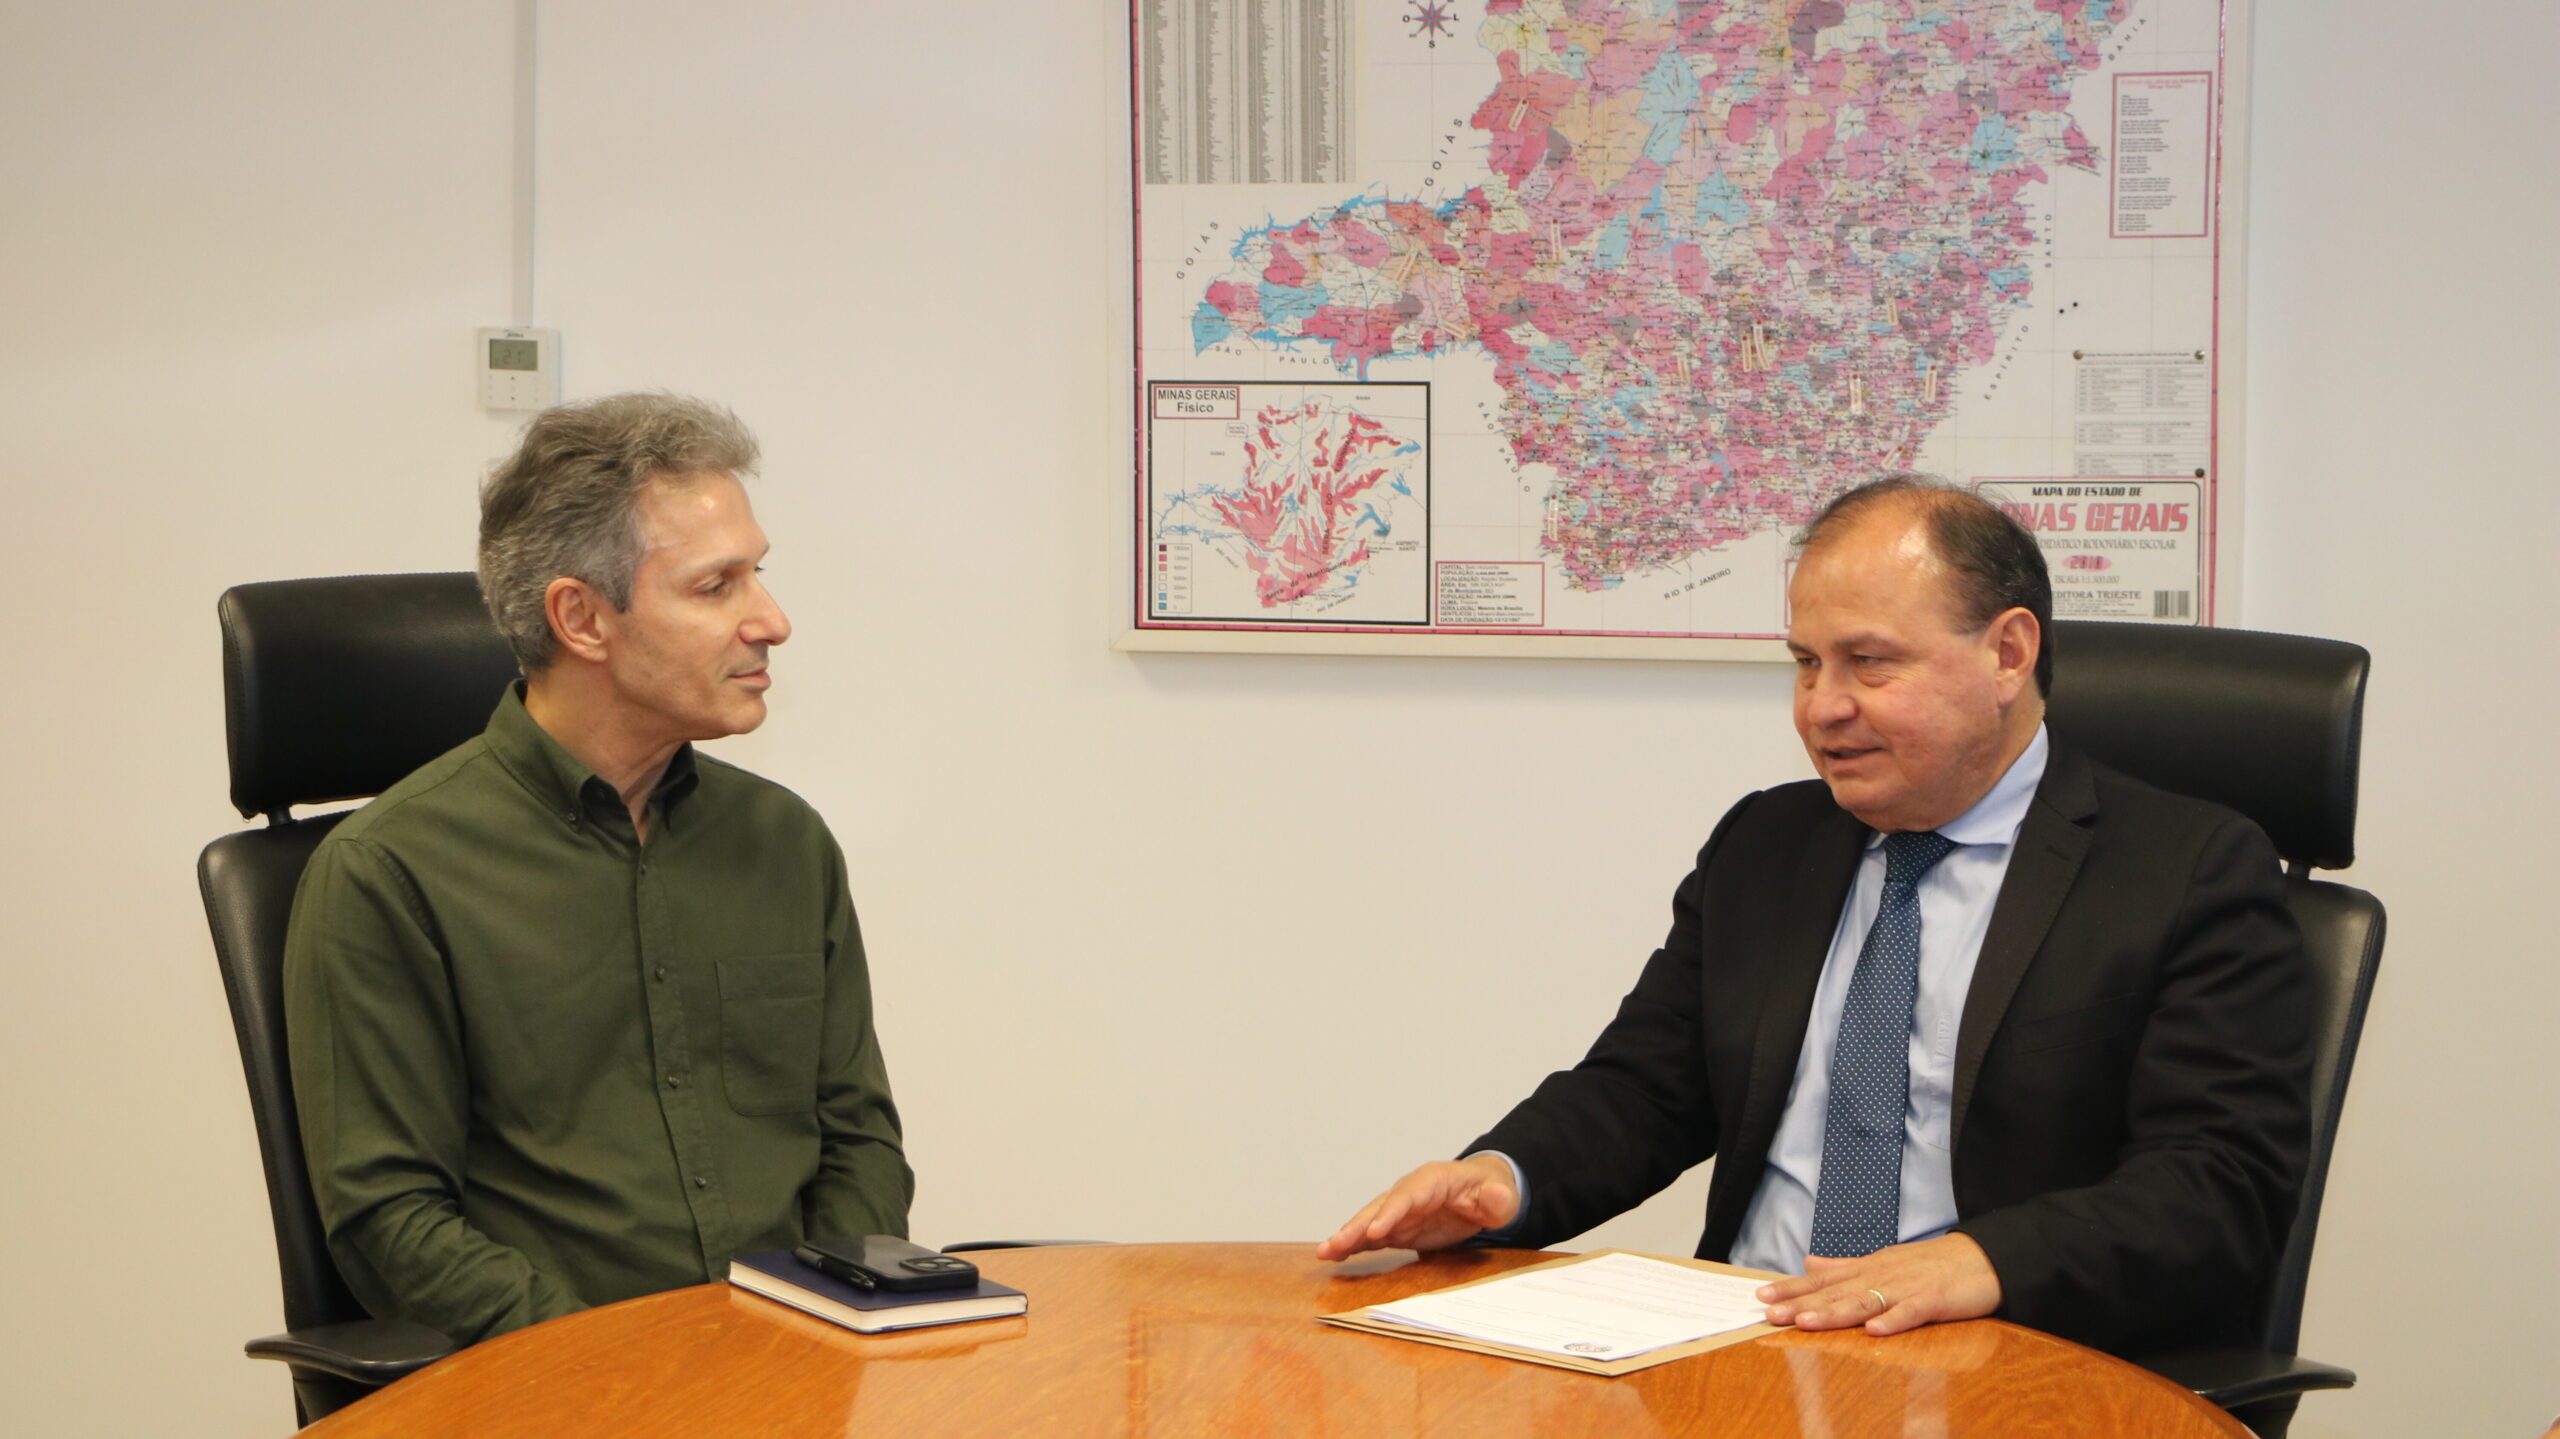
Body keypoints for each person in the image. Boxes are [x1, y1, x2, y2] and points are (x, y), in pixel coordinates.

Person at [1319, 477, 2310, 1359]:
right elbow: (1646, 1086)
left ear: (2007, 652)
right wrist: (1503, 1174)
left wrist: (1975, 1260)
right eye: (1803, 662)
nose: (1819, 708)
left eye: (1868, 663)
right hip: (1739, 1339)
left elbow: (2217, 1185)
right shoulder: (1767, 841)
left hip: (1998, 1352)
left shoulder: (2181, 869)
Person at [285, 393, 910, 1345]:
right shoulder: (387, 873)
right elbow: (390, 1222)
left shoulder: (787, 843)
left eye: (760, 575)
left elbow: (857, 1139)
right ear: (581, 618)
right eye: (716, 586)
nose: (773, 621)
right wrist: (615, 1372)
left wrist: (818, 1325)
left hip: (790, 1376)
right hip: (554, 1387)